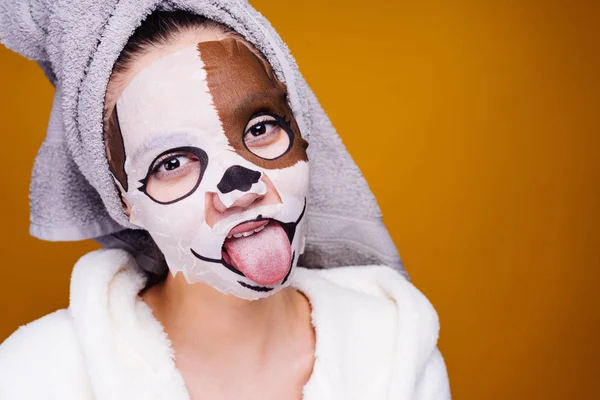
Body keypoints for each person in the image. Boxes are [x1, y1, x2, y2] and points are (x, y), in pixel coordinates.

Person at [0, 2, 450, 399]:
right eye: (172, 163)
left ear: (304, 134)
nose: (241, 189)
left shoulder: (396, 347)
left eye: (259, 129)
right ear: (123, 200)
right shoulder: (35, 376)